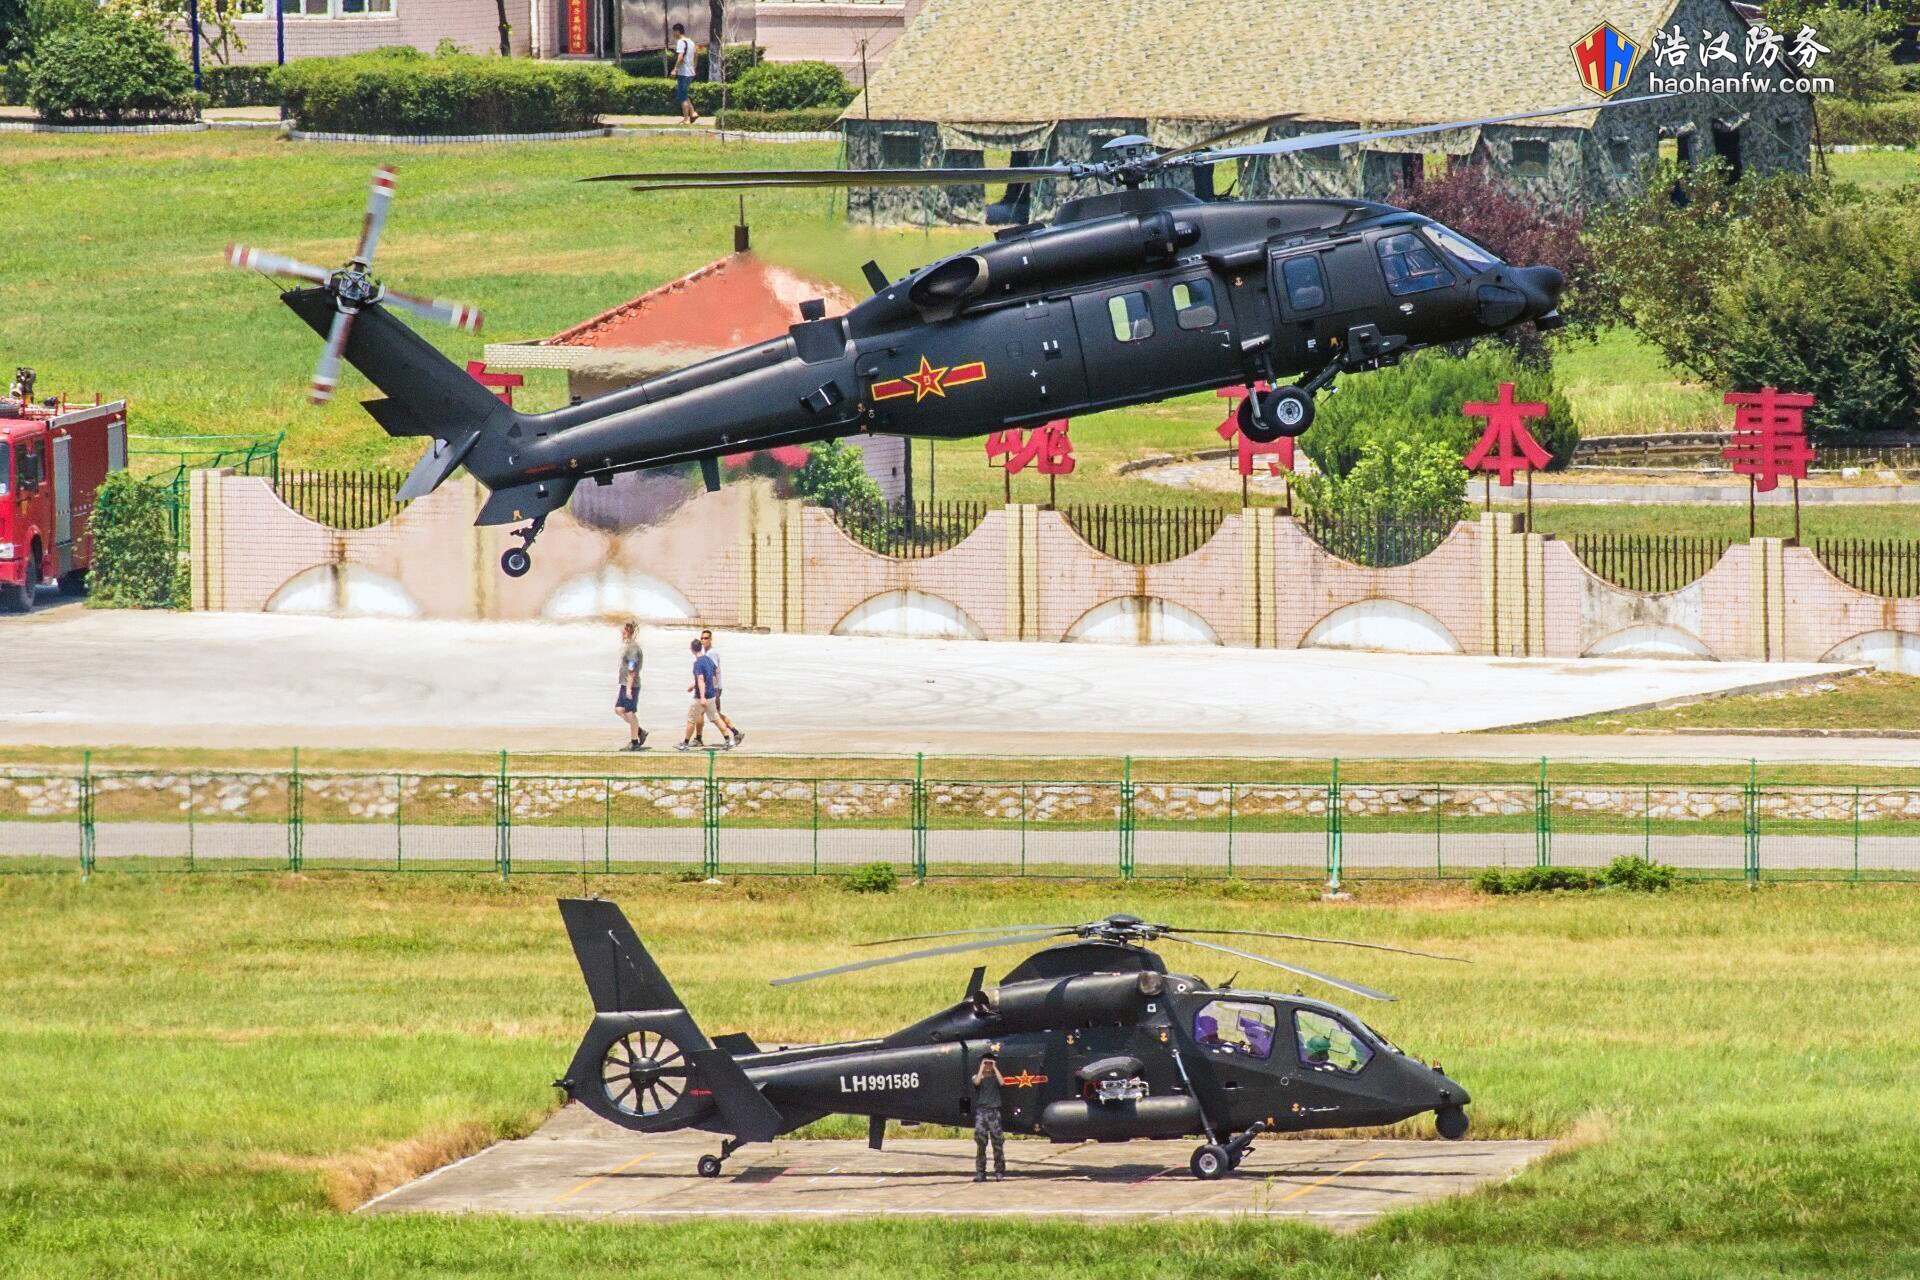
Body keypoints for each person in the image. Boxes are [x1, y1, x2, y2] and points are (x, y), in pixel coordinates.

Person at [677, 637, 728, 751]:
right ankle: (728, 740)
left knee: (691, 719)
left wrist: (702, 697)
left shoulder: (697, 663)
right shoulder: (708, 659)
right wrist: (713, 691)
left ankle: (685, 743)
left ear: (692, 649)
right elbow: (713, 676)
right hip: (712, 695)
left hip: (701, 697)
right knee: (716, 718)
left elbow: (701, 679)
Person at [699, 628, 743, 747]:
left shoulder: (711, 653)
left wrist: (712, 688)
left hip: (713, 689)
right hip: (711, 688)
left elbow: (713, 670)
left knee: (715, 715)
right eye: (702, 638)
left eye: (706, 638)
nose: (703, 640)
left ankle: (734, 733)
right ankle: (698, 738)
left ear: (711, 639)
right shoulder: (706, 653)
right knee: (705, 713)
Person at [971, 1054, 1006, 1182]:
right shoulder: (977, 1077)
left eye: (990, 1063)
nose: (988, 1066)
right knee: (981, 1144)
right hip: (982, 1113)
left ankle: (999, 1171)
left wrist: (994, 1067)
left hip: (994, 1112)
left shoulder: (995, 1078)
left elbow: (1002, 1082)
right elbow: (976, 1082)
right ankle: (981, 1172)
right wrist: (981, 1068)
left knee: (998, 1144)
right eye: (985, 1063)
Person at [614, 620, 646, 751]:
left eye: (623, 631)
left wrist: (628, 688)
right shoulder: (628, 646)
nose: (621, 634)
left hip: (631, 685)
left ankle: (634, 742)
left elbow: (632, 670)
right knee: (619, 709)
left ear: (628, 632)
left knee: (629, 712)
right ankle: (639, 731)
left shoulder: (633, 648)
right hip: (624, 684)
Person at [668, 23, 699, 125]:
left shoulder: (681, 42)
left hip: (683, 73)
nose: (673, 34)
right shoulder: (691, 42)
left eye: (674, 31)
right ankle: (693, 113)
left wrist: (675, 69)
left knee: (682, 96)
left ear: (677, 31)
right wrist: (694, 68)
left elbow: (680, 57)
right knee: (684, 94)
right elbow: (696, 55)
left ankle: (686, 119)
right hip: (690, 73)